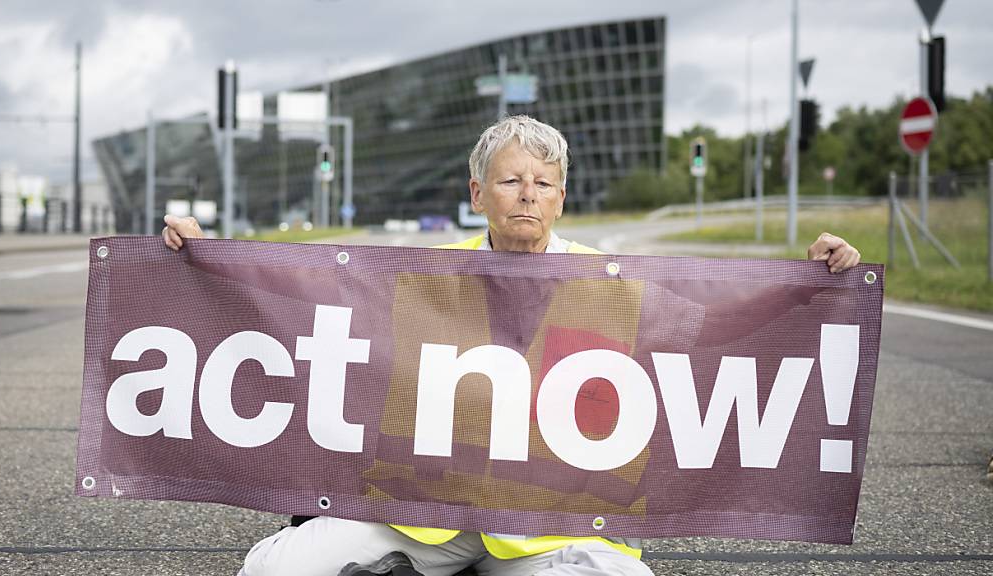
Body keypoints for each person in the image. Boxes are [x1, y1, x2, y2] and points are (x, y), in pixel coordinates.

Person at [163, 115, 861, 575]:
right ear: (477, 192)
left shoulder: (611, 282)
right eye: (511, 180)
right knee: (270, 572)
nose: (527, 194)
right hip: (425, 515)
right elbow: (298, 307)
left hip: (552, 524)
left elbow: (715, 329)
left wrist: (807, 287)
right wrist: (204, 253)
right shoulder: (421, 276)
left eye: (543, 183)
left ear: (561, 199)